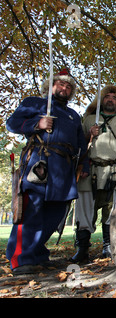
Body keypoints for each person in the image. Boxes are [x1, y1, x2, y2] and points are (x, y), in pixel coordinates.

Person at [6, 69, 88, 274]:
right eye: (61, 84)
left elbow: (81, 145)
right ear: (50, 86)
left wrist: (83, 166)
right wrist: (37, 123)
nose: (65, 88)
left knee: (56, 213)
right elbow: (12, 124)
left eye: (68, 86)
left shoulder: (73, 115)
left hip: (64, 169)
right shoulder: (35, 103)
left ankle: (38, 255)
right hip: (40, 162)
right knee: (31, 211)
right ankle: (21, 259)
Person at [71, 84, 116, 262]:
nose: (111, 100)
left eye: (114, 98)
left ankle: (109, 246)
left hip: (113, 171)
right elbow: (80, 145)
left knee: (112, 210)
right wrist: (89, 134)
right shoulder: (89, 120)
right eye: (107, 97)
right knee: (84, 209)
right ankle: (82, 248)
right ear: (101, 101)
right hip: (89, 171)